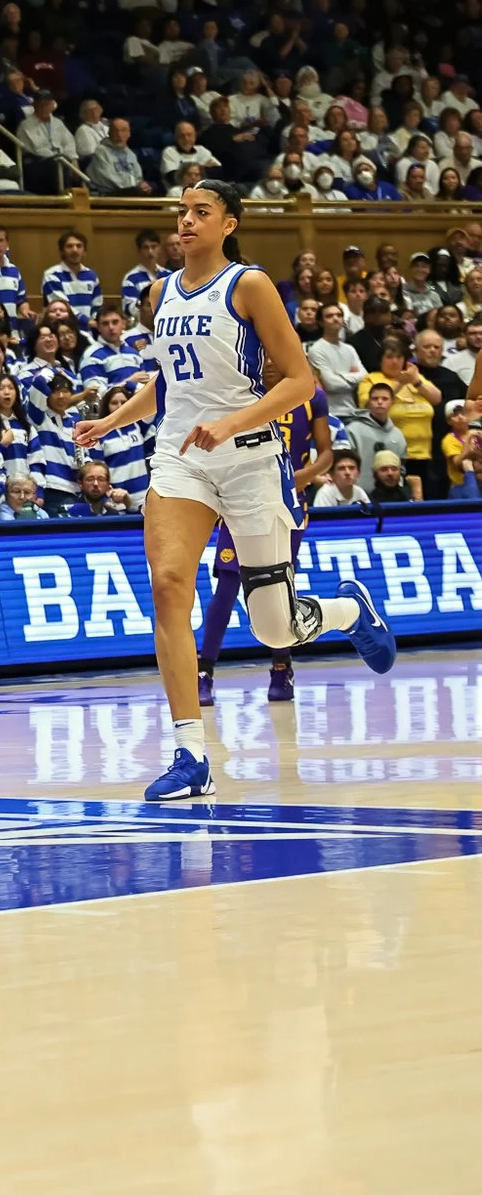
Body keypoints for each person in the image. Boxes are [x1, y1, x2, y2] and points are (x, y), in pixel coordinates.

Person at [74, 182, 396, 802]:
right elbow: (170, 381)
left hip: (249, 458)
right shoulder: (159, 292)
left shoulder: (249, 285)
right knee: (169, 585)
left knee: (273, 628)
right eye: (182, 212)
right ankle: (191, 753)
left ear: (228, 224)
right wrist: (115, 419)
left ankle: (349, 610)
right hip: (180, 456)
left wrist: (230, 422)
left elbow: (302, 380)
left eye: (202, 212)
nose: (187, 221)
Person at [195, 387, 334, 706]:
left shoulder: (312, 396)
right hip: (242, 497)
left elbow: (326, 453)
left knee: (278, 587)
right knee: (228, 583)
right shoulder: (239, 389)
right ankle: (204, 672)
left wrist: (304, 476)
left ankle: (281, 668)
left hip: (289, 501)